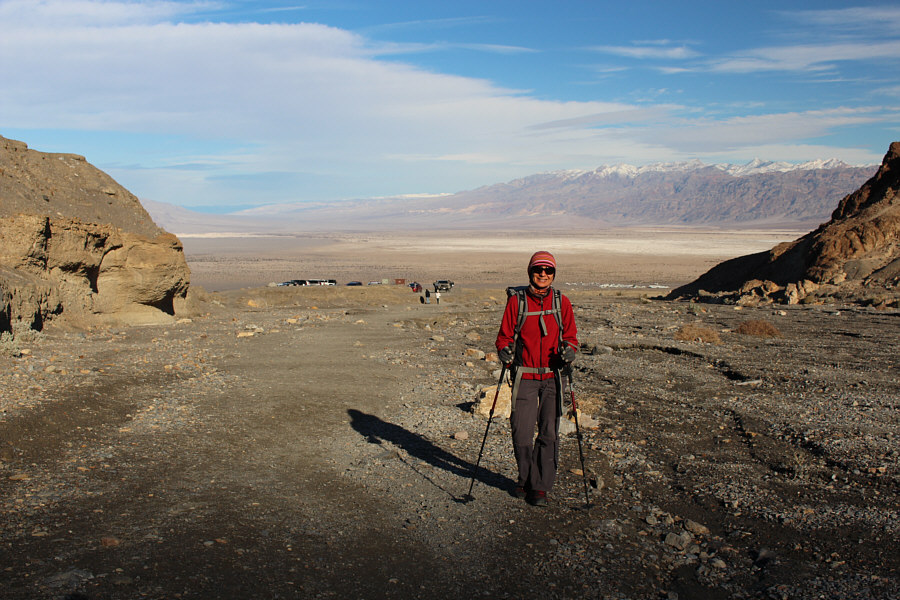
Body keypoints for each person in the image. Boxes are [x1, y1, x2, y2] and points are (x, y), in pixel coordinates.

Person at [495, 251, 578, 506]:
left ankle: (539, 487)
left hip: (553, 376)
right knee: (521, 432)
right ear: (530, 272)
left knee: (549, 433)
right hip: (525, 375)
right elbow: (504, 337)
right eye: (538, 269)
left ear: (554, 274)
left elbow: (571, 337)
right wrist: (504, 351)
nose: (543, 274)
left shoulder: (562, 302)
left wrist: (570, 351)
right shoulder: (517, 302)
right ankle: (526, 478)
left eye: (548, 270)